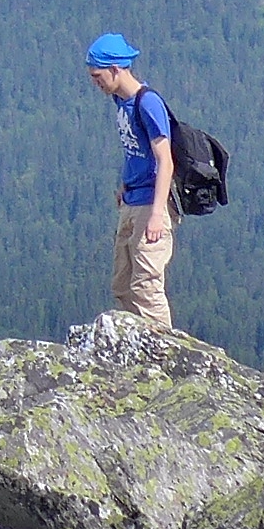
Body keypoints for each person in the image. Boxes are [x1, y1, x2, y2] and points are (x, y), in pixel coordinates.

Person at [86, 33, 176, 332]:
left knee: (146, 285)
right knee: (123, 284)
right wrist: (126, 185)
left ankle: (164, 351)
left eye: (97, 75)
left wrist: (156, 216)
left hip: (151, 205)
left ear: (115, 69)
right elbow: (136, 151)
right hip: (132, 200)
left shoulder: (147, 103)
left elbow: (165, 160)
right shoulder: (120, 102)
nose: (94, 82)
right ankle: (140, 341)